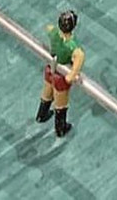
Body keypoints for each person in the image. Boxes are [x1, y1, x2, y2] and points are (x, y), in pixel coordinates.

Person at [38, 9, 84, 138]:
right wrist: (71, 76)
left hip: (50, 69)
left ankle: (41, 115)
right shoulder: (73, 45)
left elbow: (48, 28)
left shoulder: (54, 34)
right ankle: (60, 128)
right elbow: (79, 57)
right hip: (60, 76)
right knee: (60, 104)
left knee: (47, 94)